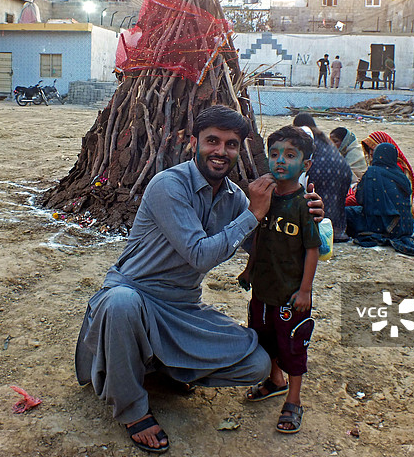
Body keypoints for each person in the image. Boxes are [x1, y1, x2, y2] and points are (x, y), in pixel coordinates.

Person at [74, 105, 325, 453]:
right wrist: (254, 213)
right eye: (213, 141)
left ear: (240, 150)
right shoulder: (168, 185)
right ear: (194, 143)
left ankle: (160, 368)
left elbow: (264, 244)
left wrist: (305, 214)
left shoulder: (236, 198)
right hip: (134, 296)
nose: (221, 151)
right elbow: (201, 254)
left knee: (257, 364)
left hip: (183, 307)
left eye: (231, 144)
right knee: (121, 303)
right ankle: (133, 409)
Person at [238, 126, 321, 434]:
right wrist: (249, 268)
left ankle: (294, 400)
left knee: (293, 345)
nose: (280, 162)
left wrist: (305, 290)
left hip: (290, 294)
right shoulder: (265, 198)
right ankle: (274, 380)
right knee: (265, 337)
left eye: (289, 155)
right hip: (263, 288)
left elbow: (312, 250)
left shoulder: (304, 205)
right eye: (274, 155)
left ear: (306, 165)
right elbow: (258, 236)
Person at [293, 113, 352, 242]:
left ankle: (320, 230)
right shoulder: (322, 138)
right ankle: (336, 230)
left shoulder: (304, 136)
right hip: (343, 170)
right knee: (335, 202)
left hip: (320, 170)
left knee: (319, 201)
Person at [345, 143, 413, 239]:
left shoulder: (372, 173)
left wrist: (361, 185)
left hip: (381, 226)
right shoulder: (401, 175)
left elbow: (360, 200)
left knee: (347, 213)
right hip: (405, 227)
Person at [357, 131, 414, 220]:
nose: (370, 153)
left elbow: (362, 199)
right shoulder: (390, 167)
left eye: (373, 149)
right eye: (369, 149)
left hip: (387, 217)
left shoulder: (385, 169)